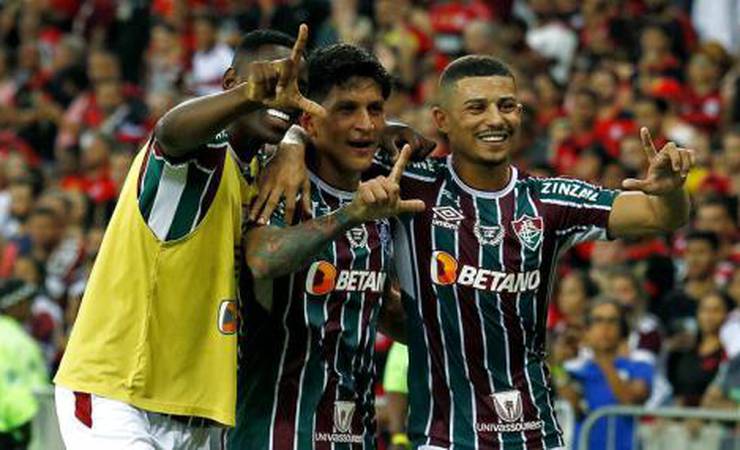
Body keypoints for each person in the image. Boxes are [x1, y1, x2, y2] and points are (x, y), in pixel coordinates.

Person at [278, 54, 694, 449]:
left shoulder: (550, 199)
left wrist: (672, 192)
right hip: (442, 437)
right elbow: (331, 132)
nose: (495, 119)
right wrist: (294, 144)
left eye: (507, 106)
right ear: (442, 120)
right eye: (476, 108)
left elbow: (660, 215)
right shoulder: (408, 183)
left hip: (536, 434)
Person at [53, 24, 326, 449]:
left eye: (296, 85)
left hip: (197, 410)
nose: (282, 92)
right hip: (119, 394)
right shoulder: (201, 152)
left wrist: (294, 141)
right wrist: (249, 97)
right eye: (271, 78)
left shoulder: (258, 170)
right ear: (231, 82)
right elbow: (170, 132)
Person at [230, 43, 424, 450]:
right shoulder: (285, 182)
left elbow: (372, 305)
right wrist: (348, 215)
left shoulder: (382, 192)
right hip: (275, 433)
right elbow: (262, 259)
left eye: (375, 109)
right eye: (347, 109)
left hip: (356, 433)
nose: (366, 124)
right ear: (312, 123)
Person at [562, 300, 653, 450]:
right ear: (587, 330)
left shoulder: (640, 366)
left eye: (612, 321)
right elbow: (574, 408)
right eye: (598, 320)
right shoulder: (578, 371)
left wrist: (601, 356)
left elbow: (629, 400)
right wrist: (558, 365)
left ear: (622, 329)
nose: (605, 327)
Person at [0, 279, 49, 450]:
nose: (31, 307)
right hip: (17, 429)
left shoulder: (14, 335)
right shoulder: (16, 340)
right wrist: (27, 424)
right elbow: (9, 384)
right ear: (16, 304)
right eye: (28, 301)